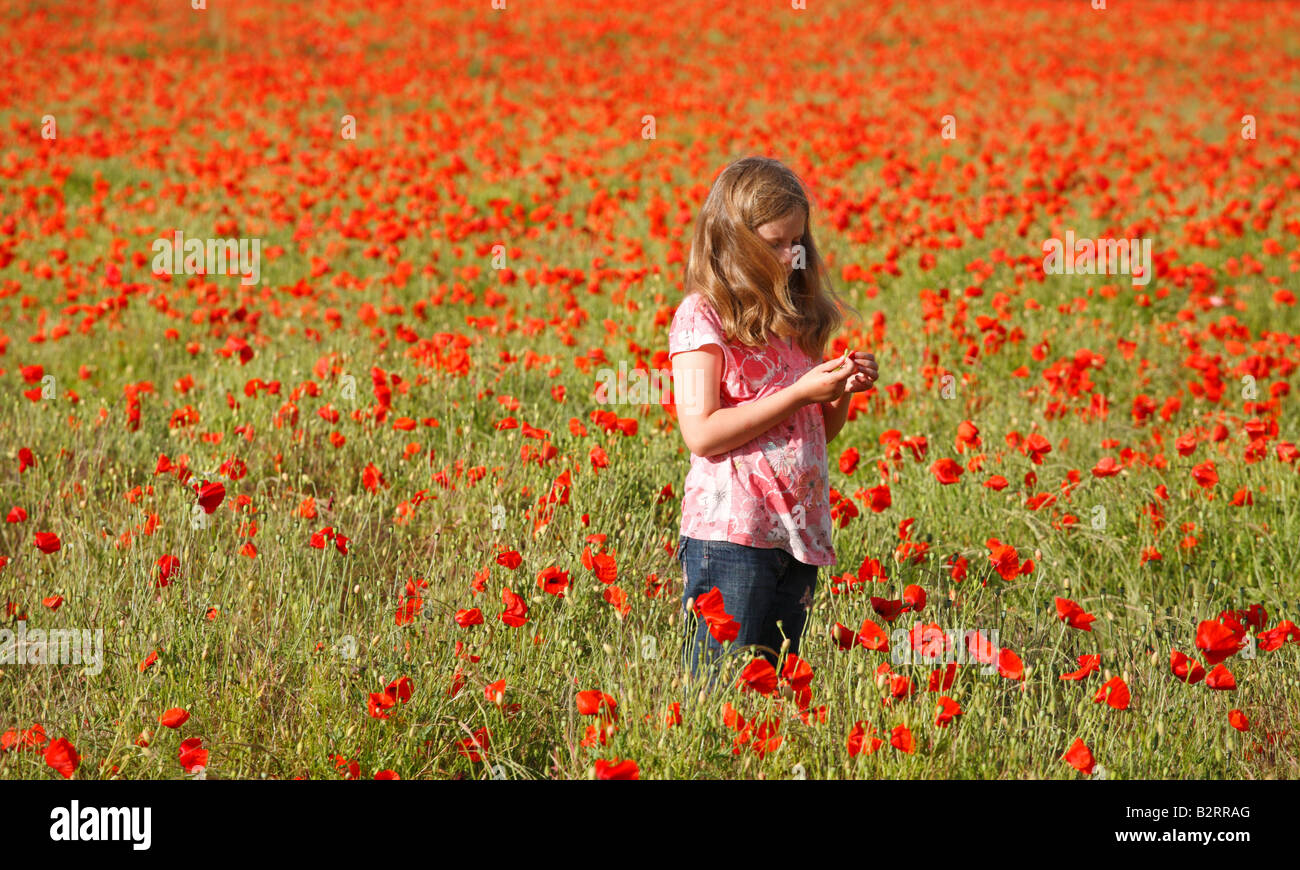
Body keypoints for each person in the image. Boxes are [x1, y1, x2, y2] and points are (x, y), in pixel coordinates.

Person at [668, 155, 878, 697]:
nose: (792, 255)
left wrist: (837, 392)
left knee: (773, 693)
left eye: (797, 241)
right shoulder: (701, 317)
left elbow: (814, 433)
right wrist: (798, 392)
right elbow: (701, 431)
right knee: (722, 691)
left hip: (795, 536)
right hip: (731, 536)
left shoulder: (793, 317)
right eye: (776, 243)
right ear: (735, 241)